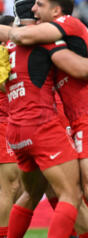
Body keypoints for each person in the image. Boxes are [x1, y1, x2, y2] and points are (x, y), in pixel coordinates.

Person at [8, 0, 88, 238]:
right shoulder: (44, 41)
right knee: (75, 192)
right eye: (34, 5)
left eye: (40, 4)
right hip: (72, 119)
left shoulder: (67, 24)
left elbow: (82, 70)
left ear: (57, 10)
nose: (35, 9)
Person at [0, 15, 21, 238]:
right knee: (11, 187)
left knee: (21, 188)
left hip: (13, 124)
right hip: (3, 124)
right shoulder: (2, 56)